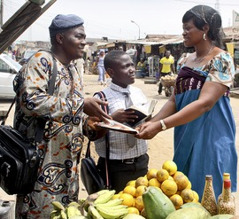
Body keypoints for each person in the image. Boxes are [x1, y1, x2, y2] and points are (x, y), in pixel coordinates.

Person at [13, 14, 110, 218]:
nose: (84, 41)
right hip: (41, 168)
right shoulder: (42, 61)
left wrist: (90, 124)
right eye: (79, 36)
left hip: (68, 170)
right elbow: (30, 101)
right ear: (60, 38)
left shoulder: (73, 69)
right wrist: (81, 104)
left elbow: (68, 113)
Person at [136, 5, 237, 200]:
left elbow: (205, 103)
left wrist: (161, 125)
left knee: (209, 194)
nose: (184, 32)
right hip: (185, 133)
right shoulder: (185, 60)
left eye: (188, 27)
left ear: (205, 28)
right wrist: (153, 121)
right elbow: (175, 99)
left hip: (211, 136)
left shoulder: (222, 59)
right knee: (185, 194)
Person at [92, 50, 149, 192]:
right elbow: (92, 134)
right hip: (116, 167)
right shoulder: (101, 98)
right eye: (125, 67)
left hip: (141, 161)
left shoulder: (138, 93)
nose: (132, 70)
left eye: (132, 65)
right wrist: (112, 120)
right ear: (111, 72)